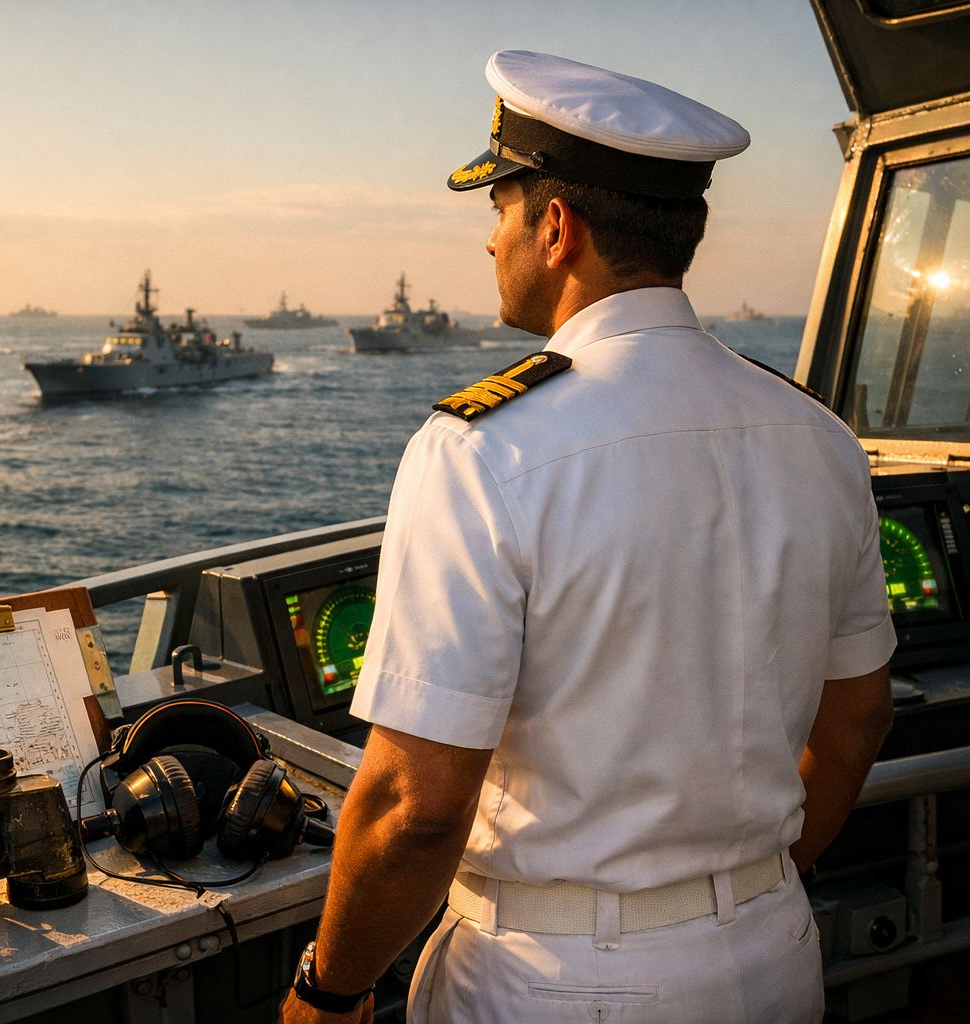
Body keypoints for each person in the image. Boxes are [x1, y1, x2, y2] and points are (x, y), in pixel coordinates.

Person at [280, 50, 897, 1023]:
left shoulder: (482, 449)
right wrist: (740, 891)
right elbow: (859, 714)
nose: (489, 244)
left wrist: (329, 989)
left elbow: (416, 805)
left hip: (559, 983)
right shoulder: (820, 439)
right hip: (775, 955)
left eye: (498, 211)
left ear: (555, 227)